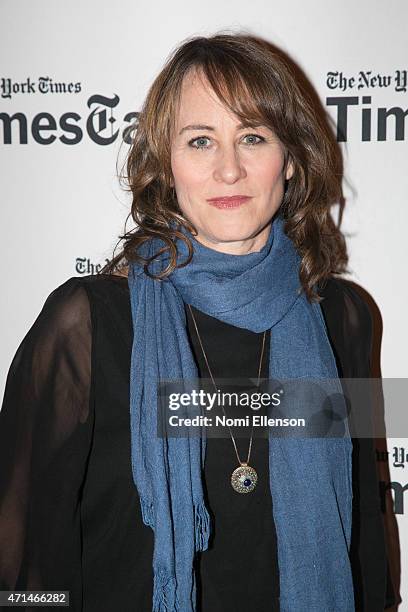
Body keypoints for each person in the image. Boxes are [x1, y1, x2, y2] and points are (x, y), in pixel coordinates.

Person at [0, 33, 390, 611]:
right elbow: (26, 554)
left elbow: (366, 523)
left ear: (290, 160)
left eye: (253, 137)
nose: (228, 170)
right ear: (167, 164)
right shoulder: (85, 324)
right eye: (201, 140)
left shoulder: (346, 317)